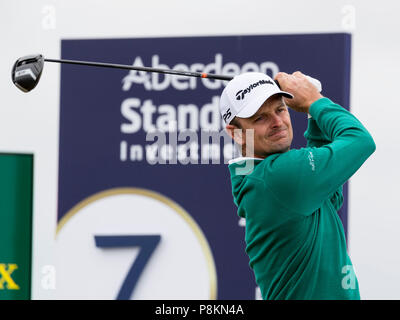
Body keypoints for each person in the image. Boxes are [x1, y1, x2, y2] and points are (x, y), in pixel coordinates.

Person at [219, 71, 375, 300]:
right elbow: (360, 141)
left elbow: (327, 191)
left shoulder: (267, 177)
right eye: (260, 118)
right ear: (237, 134)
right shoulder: (279, 176)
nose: (277, 122)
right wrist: (314, 101)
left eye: (280, 109)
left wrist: (314, 116)